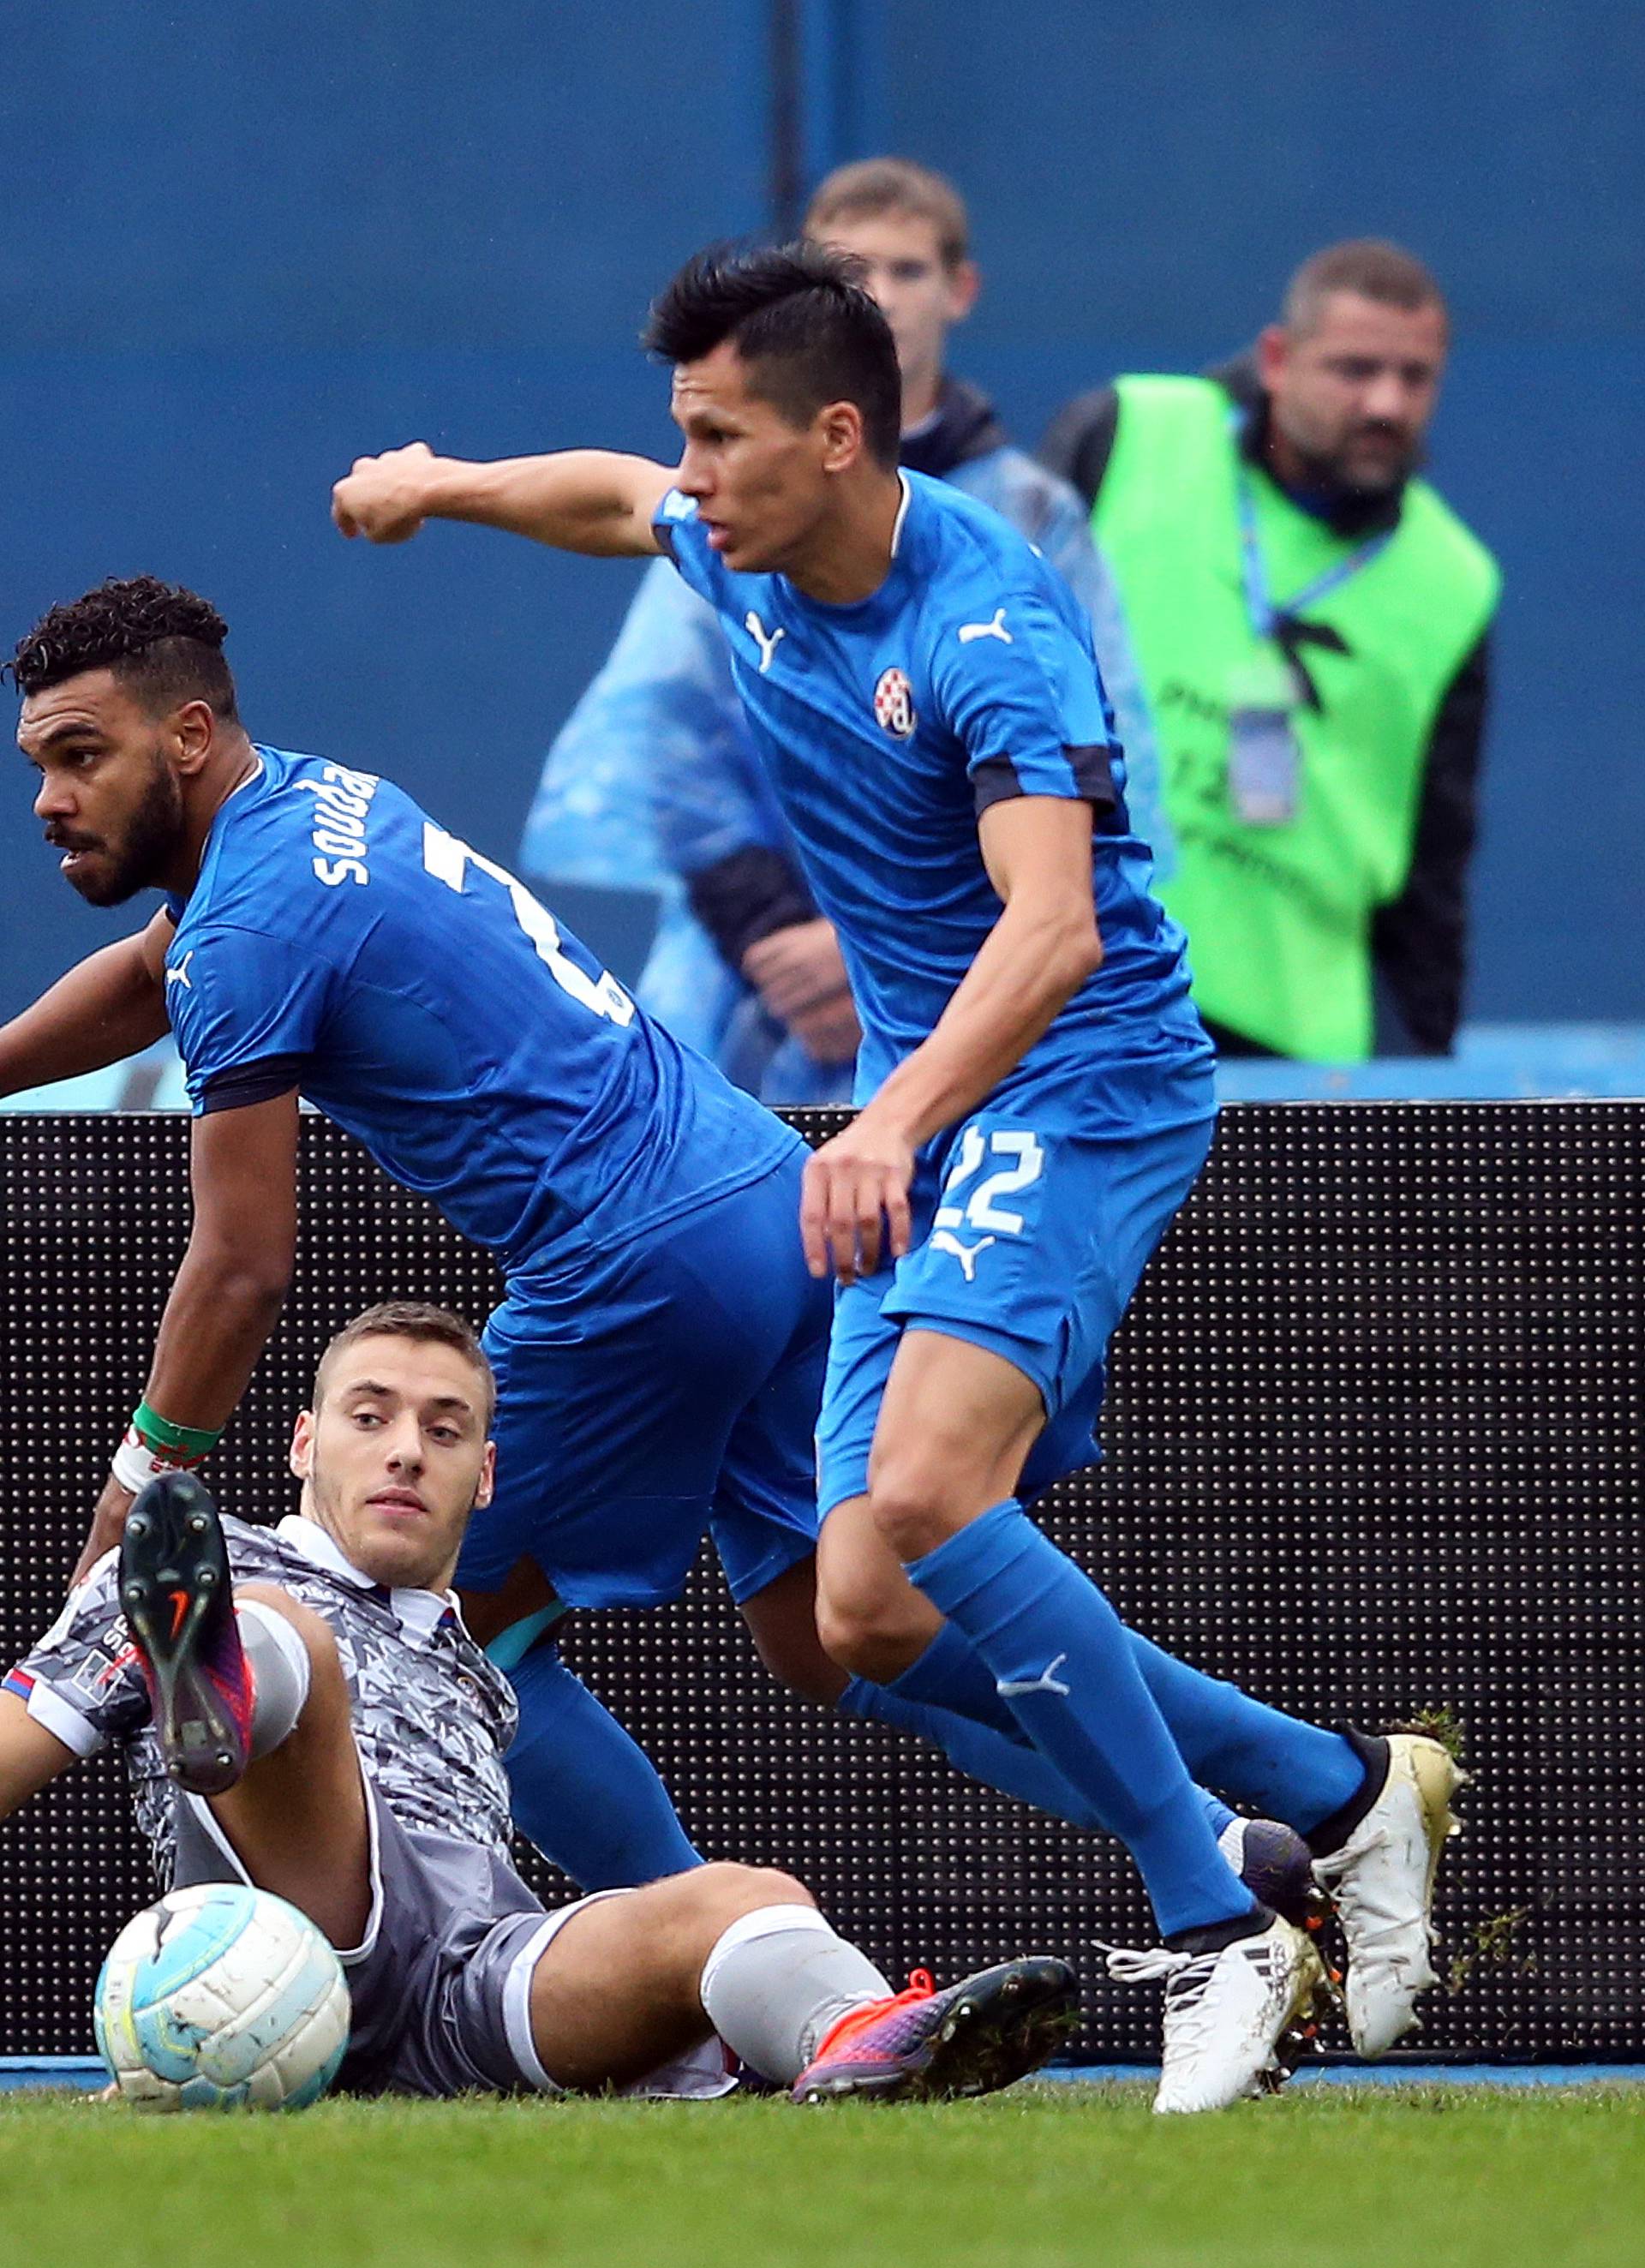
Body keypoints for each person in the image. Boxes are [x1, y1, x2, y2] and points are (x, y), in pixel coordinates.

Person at [331, 241, 1464, 2112]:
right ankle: (1339, 1795)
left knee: (930, 1499)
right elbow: (613, 502)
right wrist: (442, 485)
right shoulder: (744, 545)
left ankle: (1216, 1922)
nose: (686, 472)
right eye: (684, 433)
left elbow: (1055, 934)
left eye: (720, 436)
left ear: (837, 437)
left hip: (1076, 1087)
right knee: (853, 1615)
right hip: (928, 1107)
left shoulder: (987, 625)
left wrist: (881, 1124)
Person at [0, 575, 837, 1897]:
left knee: (441, 1629)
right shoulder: (312, 796)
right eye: (40, 762)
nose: (49, 797)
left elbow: (241, 1262)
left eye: (80, 756)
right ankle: (1257, 1819)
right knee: (852, 1635)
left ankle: (709, 1988)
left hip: (635, 1262)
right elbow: (143, 977)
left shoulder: (251, 929)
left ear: (190, 736)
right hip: (770, 1192)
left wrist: (138, 1481)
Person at [0, 1302, 1076, 2103]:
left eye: (445, 1427)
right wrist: (208, 1627)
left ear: (484, 1475)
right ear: (302, 1444)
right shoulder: (196, 1562)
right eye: (369, 1416)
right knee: (295, 1634)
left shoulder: (479, 1664)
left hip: (468, 1972)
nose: (406, 1447)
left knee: (736, 1893)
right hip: (278, 1936)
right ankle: (224, 1695)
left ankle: (865, 2041)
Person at [521, 159, 1165, 1104]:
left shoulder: (1027, 523)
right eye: (853, 273)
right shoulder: (736, 503)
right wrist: (775, 935)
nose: (884, 299)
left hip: (964, 970)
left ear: (961, 290)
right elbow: (665, 731)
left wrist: (877, 942)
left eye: (908, 270)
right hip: (757, 972)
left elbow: (1077, 786)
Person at [1042, 238, 1498, 1062]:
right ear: (1279, 360)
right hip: (1077, 989)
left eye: (1415, 377)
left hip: (1293, 1038)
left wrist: (1422, 1083)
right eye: (1355, 370)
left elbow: (1436, 868)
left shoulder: (1456, 581)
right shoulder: (1129, 432)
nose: (1386, 403)